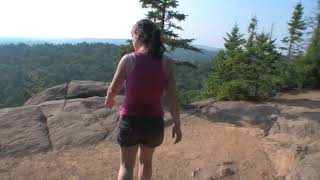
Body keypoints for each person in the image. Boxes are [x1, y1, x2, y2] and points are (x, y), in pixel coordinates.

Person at [104, 19, 182, 180]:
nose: (132, 40)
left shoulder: (128, 59)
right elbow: (173, 97)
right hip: (154, 123)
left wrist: (109, 99)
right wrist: (177, 123)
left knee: (126, 165)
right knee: (146, 163)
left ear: (138, 35)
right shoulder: (167, 63)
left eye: (132, 36)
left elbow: (113, 88)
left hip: (130, 121)